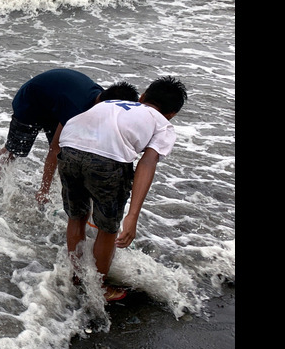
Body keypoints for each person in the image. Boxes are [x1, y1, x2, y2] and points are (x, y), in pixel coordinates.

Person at [56, 76, 188, 301]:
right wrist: (132, 216)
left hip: (68, 148)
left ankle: (76, 277)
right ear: (172, 114)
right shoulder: (163, 124)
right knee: (107, 229)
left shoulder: (110, 102)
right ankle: (98, 289)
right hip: (107, 161)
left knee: (77, 216)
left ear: (143, 97)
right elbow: (147, 163)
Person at [0, 69, 139, 205]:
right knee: (16, 150)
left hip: (55, 103)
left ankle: (61, 190)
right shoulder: (77, 108)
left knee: (66, 152)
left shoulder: (100, 97)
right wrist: (43, 191)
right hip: (29, 102)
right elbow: (55, 149)